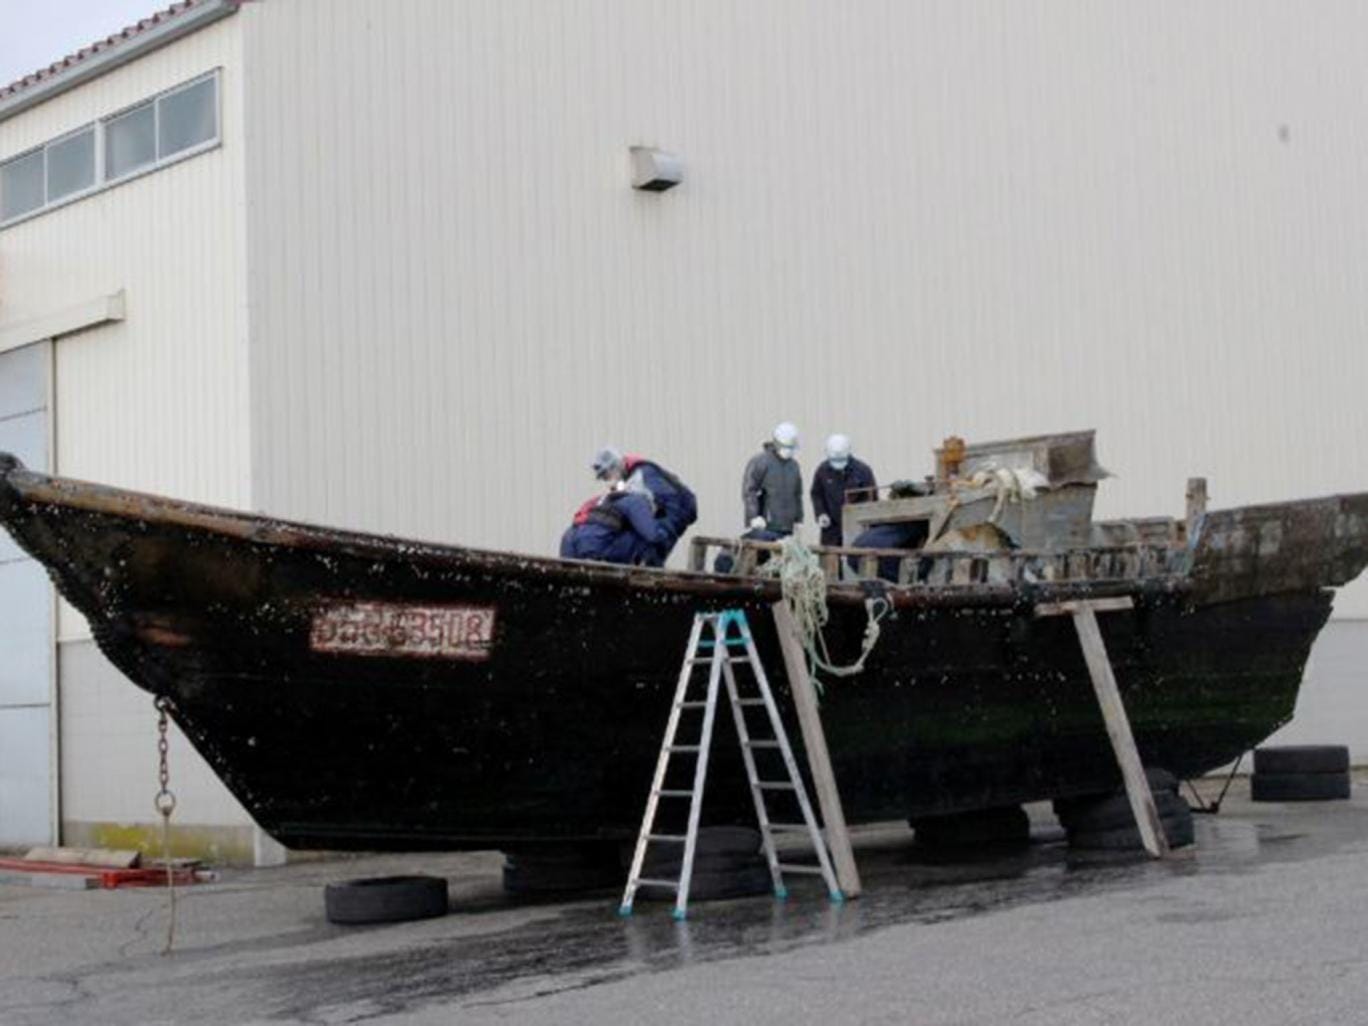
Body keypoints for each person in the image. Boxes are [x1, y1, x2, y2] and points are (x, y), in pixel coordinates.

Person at [590, 447, 698, 566]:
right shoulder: (630, 478)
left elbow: (669, 500)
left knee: (655, 543)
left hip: (677, 510)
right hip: (667, 511)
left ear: (615, 467)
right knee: (649, 540)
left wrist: (666, 528)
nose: (607, 480)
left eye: (606, 476)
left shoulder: (643, 473)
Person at [559, 481, 673, 566]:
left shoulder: (602, 500)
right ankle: (650, 571)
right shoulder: (637, 500)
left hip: (569, 544)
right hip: (596, 545)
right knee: (648, 539)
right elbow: (652, 535)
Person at [810, 434, 876, 547]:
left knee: (855, 559)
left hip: (857, 528)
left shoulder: (862, 471)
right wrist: (821, 514)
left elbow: (873, 498)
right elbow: (816, 494)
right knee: (829, 560)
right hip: (831, 529)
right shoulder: (823, 470)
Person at [742, 422, 804, 536]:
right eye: (785, 447)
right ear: (776, 444)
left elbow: (797, 494)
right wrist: (753, 516)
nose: (788, 450)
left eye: (791, 447)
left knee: (785, 553)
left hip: (787, 526)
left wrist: (798, 519)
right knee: (765, 553)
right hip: (765, 526)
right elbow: (749, 490)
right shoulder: (761, 462)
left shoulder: (794, 466)